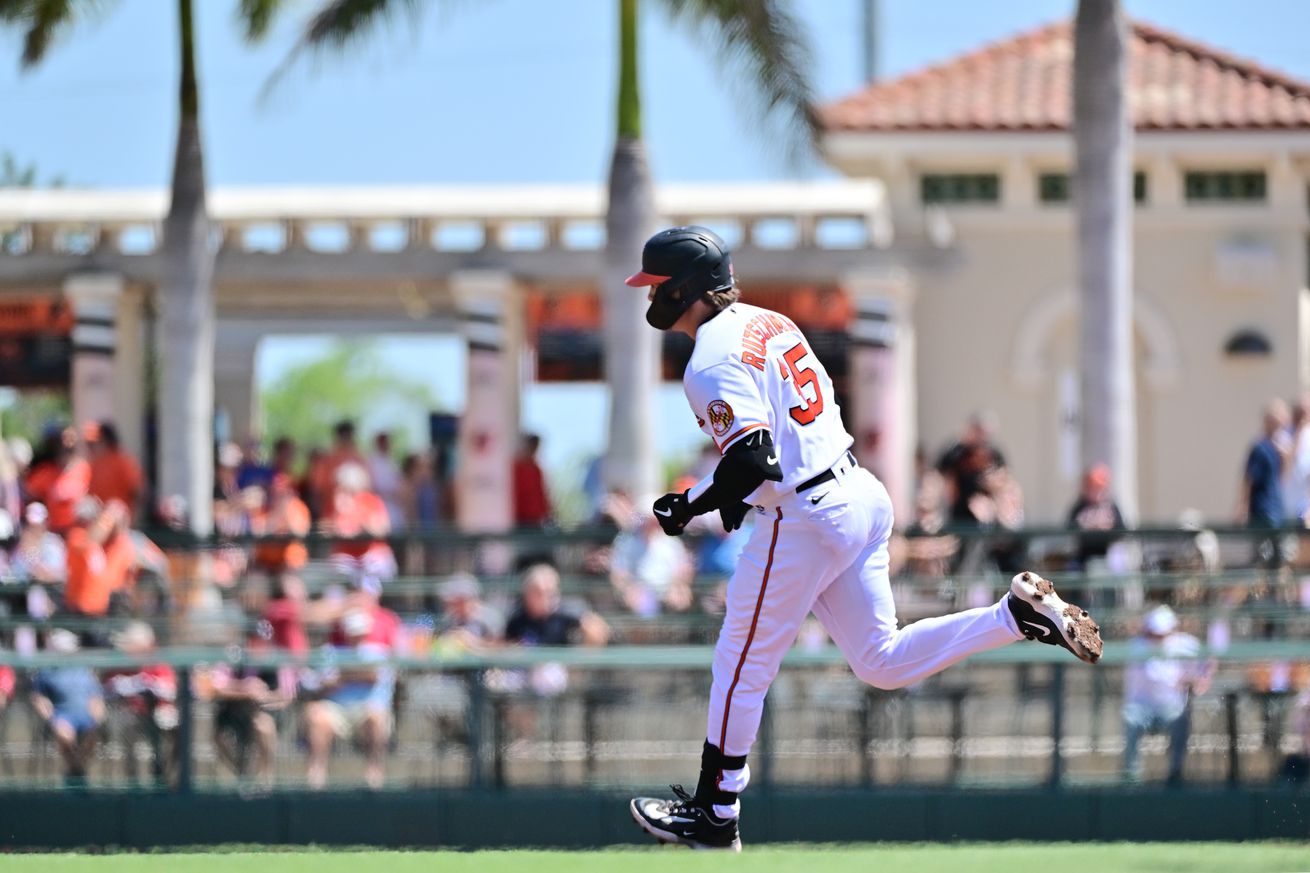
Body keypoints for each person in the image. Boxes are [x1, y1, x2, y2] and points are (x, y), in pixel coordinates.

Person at [622, 226, 1102, 850]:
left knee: (740, 664)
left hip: (805, 514)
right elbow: (779, 445)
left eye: (656, 285)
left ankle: (715, 812)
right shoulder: (770, 322)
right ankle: (1011, 617)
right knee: (878, 661)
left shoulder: (708, 357)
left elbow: (755, 461)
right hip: (857, 492)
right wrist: (741, 496)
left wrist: (689, 505)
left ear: (682, 287)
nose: (649, 296)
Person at [304, 606, 398, 789]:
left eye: (360, 631)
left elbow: (373, 677)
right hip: (337, 710)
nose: (357, 636)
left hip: (368, 709)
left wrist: (343, 677)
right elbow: (317, 684)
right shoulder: (330, 652)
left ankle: (375, 771)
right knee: (316, 714)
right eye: (353, 631)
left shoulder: (379, 652)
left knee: (376, 716)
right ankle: (316, 772)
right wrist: (348, 677)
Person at [1122, 605, 1215, 785]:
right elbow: (1156, 675)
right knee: (1130, 718)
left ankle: (1175, 773)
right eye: (1154, 633)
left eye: (1162, 633)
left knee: (1181, 719)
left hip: (1171, 708)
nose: (1158, 637)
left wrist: (1201, 679)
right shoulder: (1136, 646)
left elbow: (1209, 660)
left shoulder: (1186, 644)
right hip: (1141, 708)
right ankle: (1131, 776)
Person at [30, 629, 105, 785]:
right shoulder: (45, 672)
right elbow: (38, 697)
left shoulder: (84, 670)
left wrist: (97, 716)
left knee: (94, 735)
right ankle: (77, 771)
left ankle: (75, 770)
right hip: (62, 714)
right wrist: (49, 716)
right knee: (64, 735)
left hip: (85, 713)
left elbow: (96, 696)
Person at [610, 509, 695, 616]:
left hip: (667, 590)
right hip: (639, 591)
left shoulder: (672, 542)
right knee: (641, 606)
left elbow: (683, 571)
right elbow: (618, 574)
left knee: (681, 601)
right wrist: (629, 588)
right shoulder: (626, 542)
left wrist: (678, 587)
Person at [1236, 399, 1291, 566]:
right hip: (1262, 509)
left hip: (1276, 508)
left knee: (1278, 556)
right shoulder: (1259, 447)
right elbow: (1249, 478)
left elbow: (1282, 477)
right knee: (1261, 555)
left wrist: (1286, 457)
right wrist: (1242, 506)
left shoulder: (1279, 448)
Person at [24, 427, 90, 535]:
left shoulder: (84, 469)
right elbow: (29, 496)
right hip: (54, 531)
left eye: (69, 446)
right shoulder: (45, 472)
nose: (65, 448)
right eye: (62, 446)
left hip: (78, 531)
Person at [85, 421, 144, 521]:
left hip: (119, 522)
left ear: (107, 441)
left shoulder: (123, 461)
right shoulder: (93, 465)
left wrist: (132, 516)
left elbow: (138, 491)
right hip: (97, 522)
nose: (90, 447)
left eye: (94, 443)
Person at [512, 433, 552, 528]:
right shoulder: (516, 468)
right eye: (532, 446)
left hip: (535, 520)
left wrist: (547, 513)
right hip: (519, 520)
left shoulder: (536, 470)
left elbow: (541, 494)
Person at [367, 432, 404, 529]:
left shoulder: (393, 462)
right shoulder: (372, 462)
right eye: (383, 442)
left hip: (395, 508)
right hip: (378, 507)